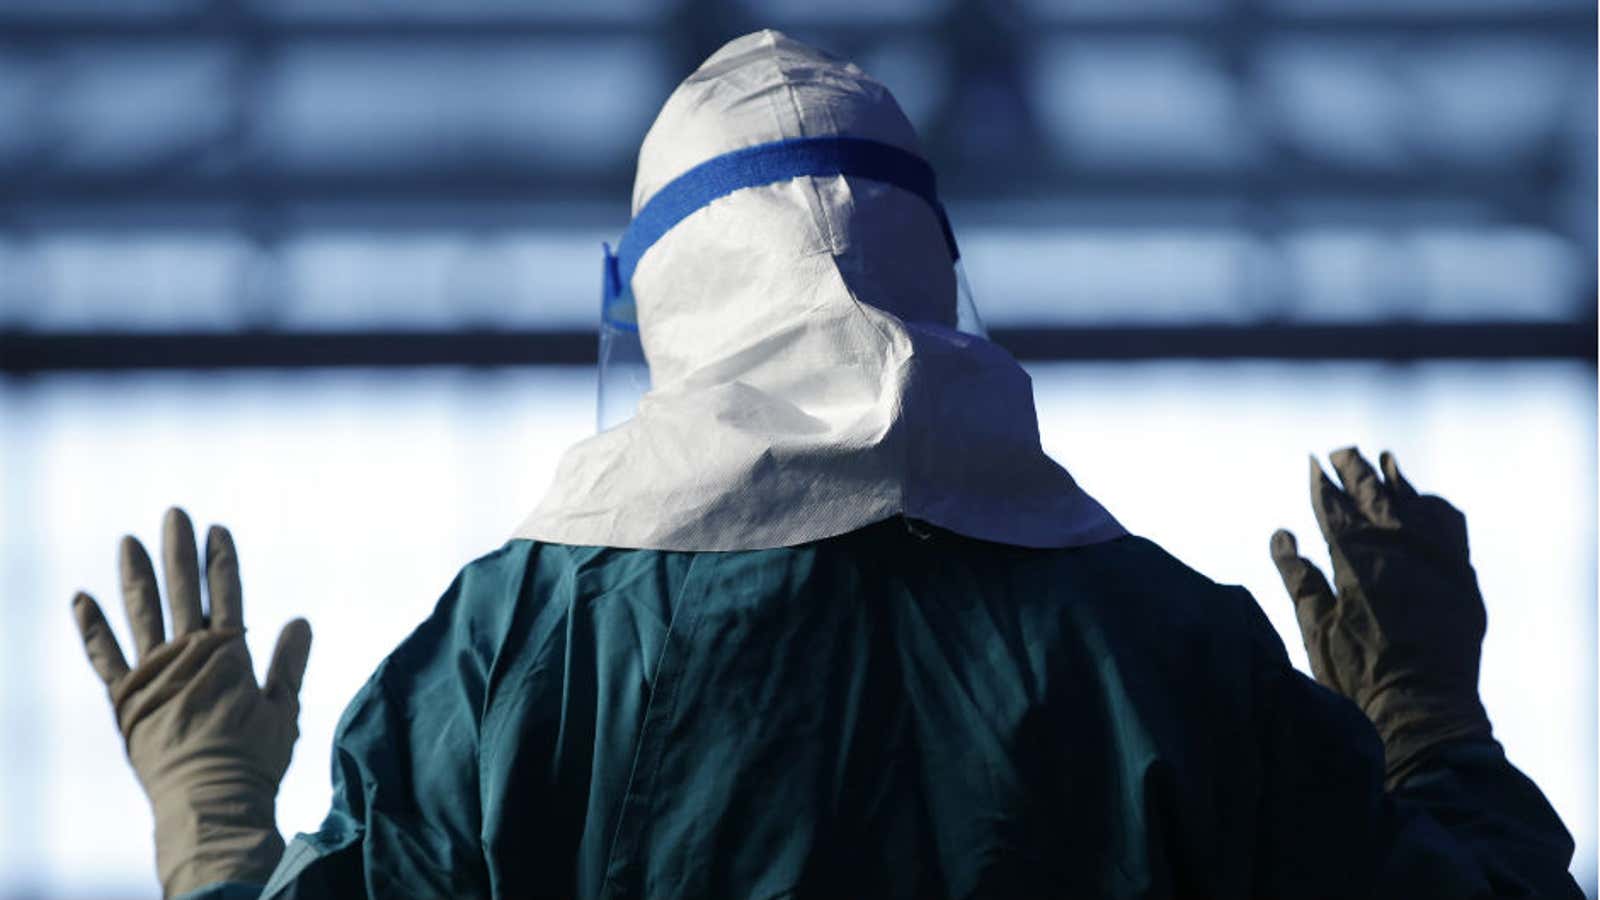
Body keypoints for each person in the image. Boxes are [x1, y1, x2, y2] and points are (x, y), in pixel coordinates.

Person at [72, 31, 1581, 899]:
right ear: (937, 272)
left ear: (659, 302)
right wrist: (1430, 721)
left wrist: (213, 822)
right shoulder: (1177, 656)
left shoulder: (520, 652)